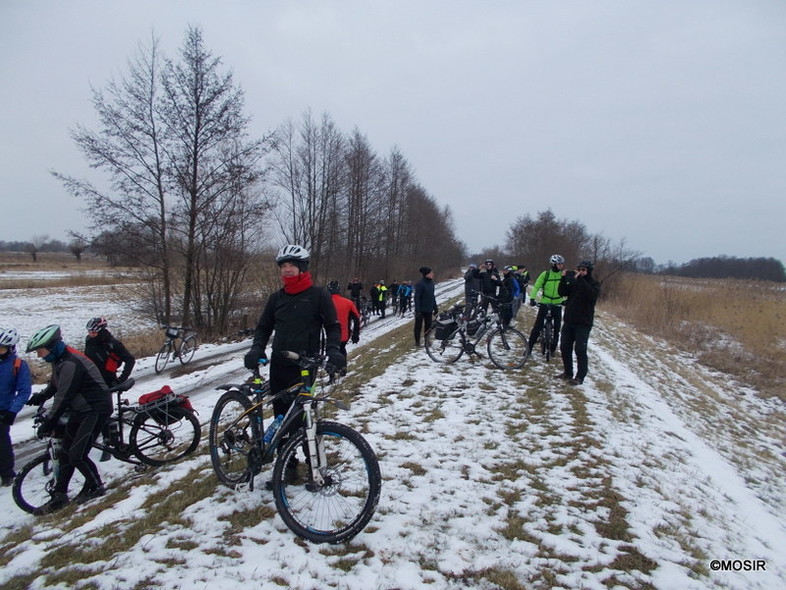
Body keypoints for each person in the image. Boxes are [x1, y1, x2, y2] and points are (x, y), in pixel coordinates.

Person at [244, 245, 345, 434]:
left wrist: (333, 350)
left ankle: (308, 450)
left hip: (305, 367)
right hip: (279, 366)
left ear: (302, 268)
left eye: (291, 265)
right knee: (281, 418)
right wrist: (257, 348)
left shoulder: (318, 296)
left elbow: (332, 326)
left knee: (303, 417)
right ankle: (283, 452)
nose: (287, 269)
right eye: (283, 266)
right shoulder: (276, 298)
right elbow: (264, 327)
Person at [25, 325, 112, 513]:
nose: (39, 355)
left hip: (95, 409)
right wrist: (42, 396)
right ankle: (60, 496)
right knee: (65, 453)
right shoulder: (60, 359)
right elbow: (56, 385)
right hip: (80, 410)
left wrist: (49, 421)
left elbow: (63, 396)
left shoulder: (70, 362)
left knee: (77, 454)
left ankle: (96, 486)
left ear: (52, 346)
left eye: (40, 351)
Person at [557, 260, 601, 385]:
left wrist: (581, 280)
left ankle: (580, 376)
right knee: (565, 347)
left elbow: (591, 295)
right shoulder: (574, 282)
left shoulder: (594, 284)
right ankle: (568, 372)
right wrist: (563, 279)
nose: (581, 272)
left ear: (589, 271)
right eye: (579, 270)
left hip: (583, 322)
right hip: (569, 320)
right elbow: (562, 292)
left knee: (580, 349)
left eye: (584, 270)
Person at [0, 327, 32, 487]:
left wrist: (12, 411)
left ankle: (7, 474)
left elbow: (24, 390)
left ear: (11, 348)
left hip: (3, 410)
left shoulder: (18, 365)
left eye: (2, 349)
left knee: (2, 443)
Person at [528, 254, 567, 356]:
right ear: (553, 264)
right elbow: (536, 286)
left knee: (557, 328)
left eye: (562, 264)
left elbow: (568, 288)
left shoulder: (562, 275)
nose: (561, 266)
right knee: (537, 327)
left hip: (557, 303)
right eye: (559, 264)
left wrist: (566, 300)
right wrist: (532, 298)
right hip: (545, 303)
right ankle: (529, 348)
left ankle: (553, 349)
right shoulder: (545, 274)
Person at [84, 317, 135, 387]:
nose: (90, 334)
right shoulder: (89, 340)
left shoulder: (113, 344)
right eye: (89, 332)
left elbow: (130, 359)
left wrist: (121, 379)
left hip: (108, 381)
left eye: (93, 332)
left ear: (101, 331)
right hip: (92, 379)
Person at [327, 280, 360, 372]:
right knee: (342, 349)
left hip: (330, 334)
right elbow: (357, 319)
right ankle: (343, 368)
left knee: (332, 351)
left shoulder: (325, 303)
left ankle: (332, 373)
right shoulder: (348, 302)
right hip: (344, 333)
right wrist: (356, 334)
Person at [413, 266, 437, 346]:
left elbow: (432, 296)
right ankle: (417, 341)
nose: (433, 274)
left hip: (429, 309)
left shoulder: (431, 284)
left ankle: (427, 340)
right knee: (418, 326)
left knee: (428, 326)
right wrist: (418, 310)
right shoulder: (420, 284)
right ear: (427, 274)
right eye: (431, 273)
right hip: (421, 309)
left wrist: (435, 306)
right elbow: (417, 297)